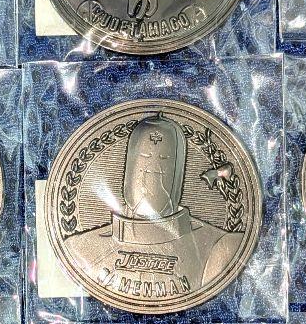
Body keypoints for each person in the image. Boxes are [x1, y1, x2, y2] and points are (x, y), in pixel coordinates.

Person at [63, 114, 242, 299]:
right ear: (128, 170)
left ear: (178, 173)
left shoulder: (220, 246)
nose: (153, 168)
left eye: (164, 158)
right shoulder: (78, 248)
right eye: (145, 156)